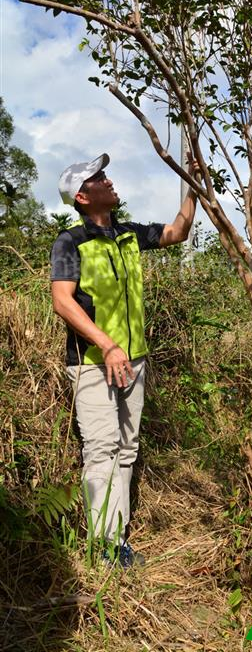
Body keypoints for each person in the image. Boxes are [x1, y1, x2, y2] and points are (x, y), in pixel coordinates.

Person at [51, 152, 198, 567]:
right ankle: (105, 546)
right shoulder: (70, 241)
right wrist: (107, 344)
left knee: (128, 448)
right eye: (99, 178)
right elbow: (63, 301)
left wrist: (194, 185)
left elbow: (177, 233)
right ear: (82, 196)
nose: (109, 180)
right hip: (92, 362)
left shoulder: (129, 234)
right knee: (102, 450)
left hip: (134, 362)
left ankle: (119, 538)